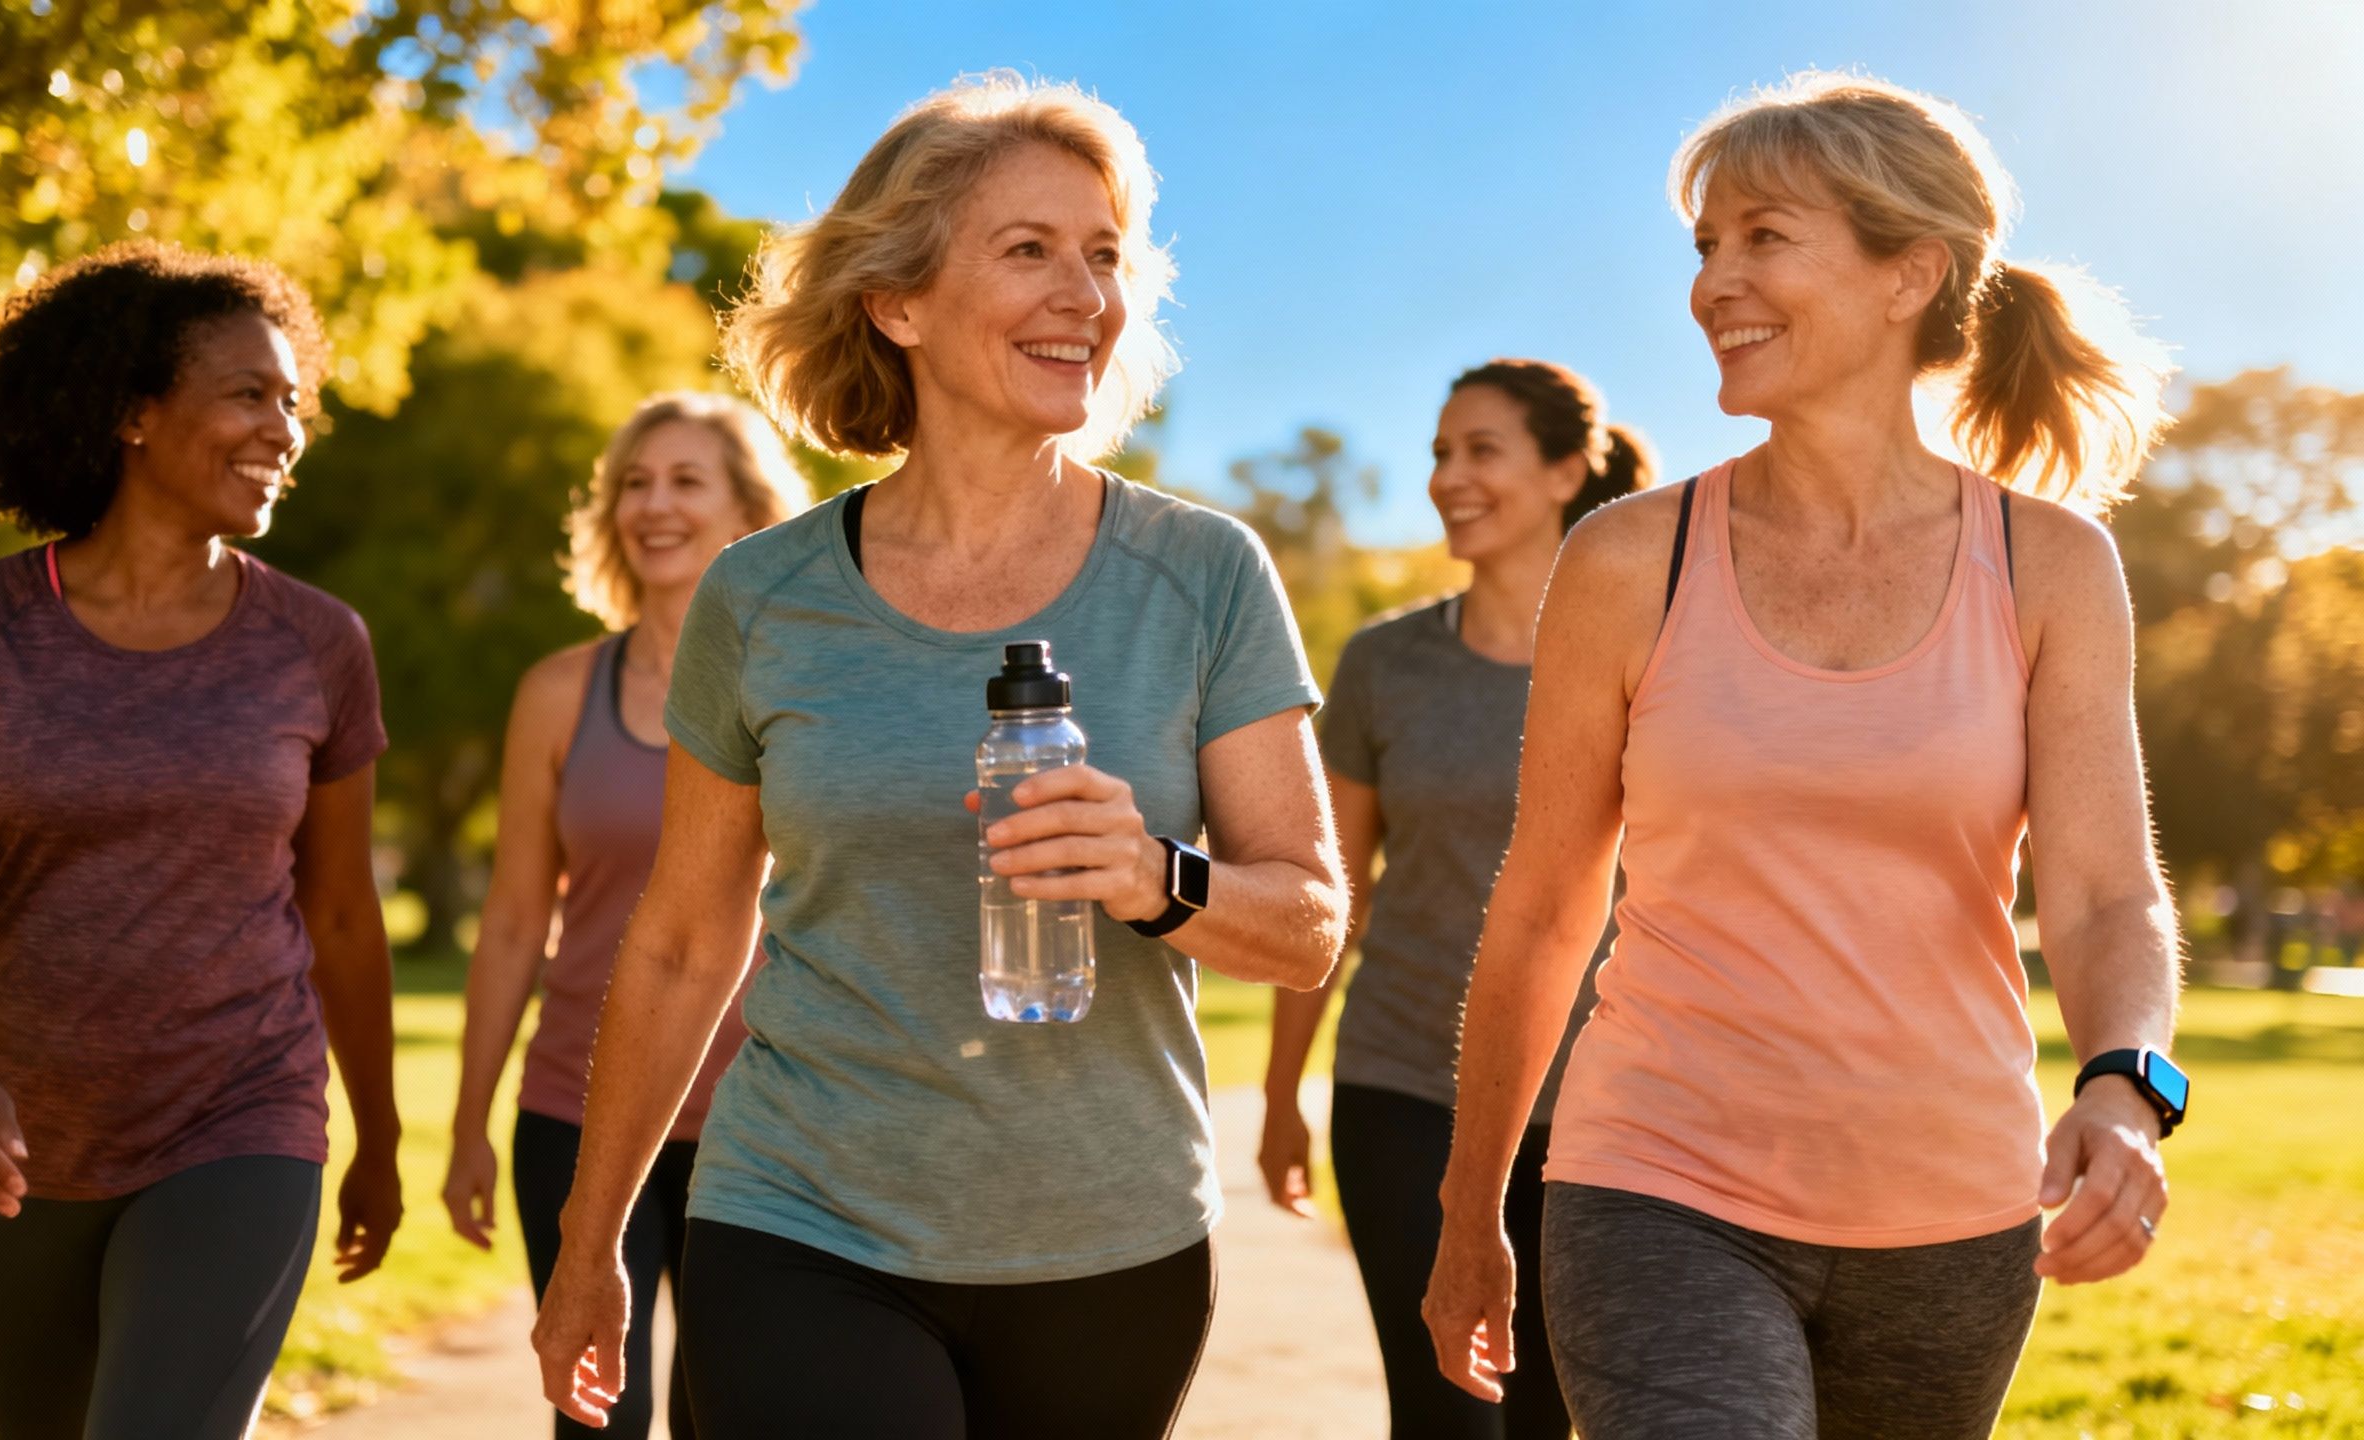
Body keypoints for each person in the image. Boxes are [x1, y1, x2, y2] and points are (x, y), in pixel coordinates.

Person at [529, 73, 1346, 1438]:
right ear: (897, 302)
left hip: (1108, 1239)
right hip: (801, 1211)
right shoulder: (763, 595)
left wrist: (1157, 877)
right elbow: (680, 941)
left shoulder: (1202, 573)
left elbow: (1308, 923)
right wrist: (592, 1236)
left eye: (1104, 257)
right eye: (1028, 251)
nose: (1084, 295)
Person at [1423, 71, 2186, 1439]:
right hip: (1657, 1179)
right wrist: (1473, 1202)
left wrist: (2127, 1085)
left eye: (1763, 237)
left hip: (1951, 1208)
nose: (1715, 282)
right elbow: (1543, 904)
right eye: (1705, 247)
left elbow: (2103, 891)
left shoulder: (2050, 566)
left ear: (1911, 275)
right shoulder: (1625, 562)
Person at [0, 240, 401, 1439]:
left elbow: (344, 913)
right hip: (9, 1136)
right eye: (248, 395)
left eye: (293, 400)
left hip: (241, 1116)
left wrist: (379, 1135)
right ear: (134, 414)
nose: (284, 429)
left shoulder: (317, 644)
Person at [1260, 359, 1651, 1438]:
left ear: (1568, 468)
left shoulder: (1652, 656)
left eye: (1482, 450)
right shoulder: (1386, 664)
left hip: (1595, 1103)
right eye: (1439, 452)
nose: (1448, 477)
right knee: (1442, 1412)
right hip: (1404, 1087)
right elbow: (1327, 895)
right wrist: (1286, 1088)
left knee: (1546, 1419)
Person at [443, 392, 807, 1440]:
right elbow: (515, 922)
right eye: (634, 484)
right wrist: (469, 1120)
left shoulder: (800, 690)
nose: (653, 505)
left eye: (687, 481)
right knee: (595, 1415)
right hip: (575, 1112)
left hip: (766, 1117)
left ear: (748, 512)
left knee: (733, 1413)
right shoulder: (559, 693)